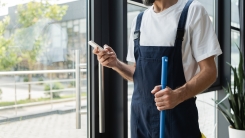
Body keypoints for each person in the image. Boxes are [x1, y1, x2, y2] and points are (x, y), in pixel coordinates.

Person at [93, 0, 222, 137]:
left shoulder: (193, 11)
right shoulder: (139, 20)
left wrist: (178, 95)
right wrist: (116, 64)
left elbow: (210, 72)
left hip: (177, 121)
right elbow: (138, 74)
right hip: (140, 121)